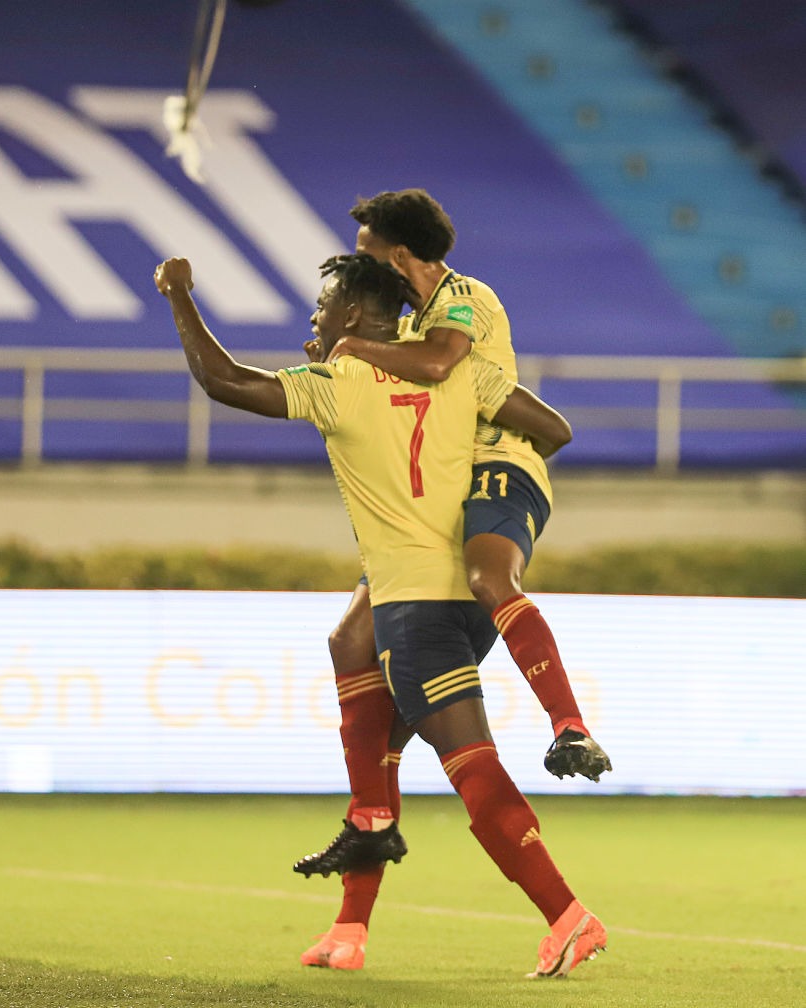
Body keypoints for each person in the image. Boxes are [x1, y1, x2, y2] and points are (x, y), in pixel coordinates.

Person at [154, 251, 606, 980]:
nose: (315, 318)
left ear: (357, 317)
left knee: (473, 768)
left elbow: (224, 381)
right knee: (354, 671)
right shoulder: (458, 370)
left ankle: (567, 916)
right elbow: (549, 427)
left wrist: (179, 297)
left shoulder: (344, 382)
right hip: (463, 596)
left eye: (323, 307)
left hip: (413, 607)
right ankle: (351, 923)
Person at [292, 189, 610, 888]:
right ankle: (365, 840)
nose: (359, 265)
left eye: (368, 253)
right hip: (445, 497)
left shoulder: (461, 301)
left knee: (489, 579)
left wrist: (348, 345)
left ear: (399, 255)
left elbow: (445, 368)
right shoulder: (404, 334)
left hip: (496, 468)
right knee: (354, 648)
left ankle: (569, 725)